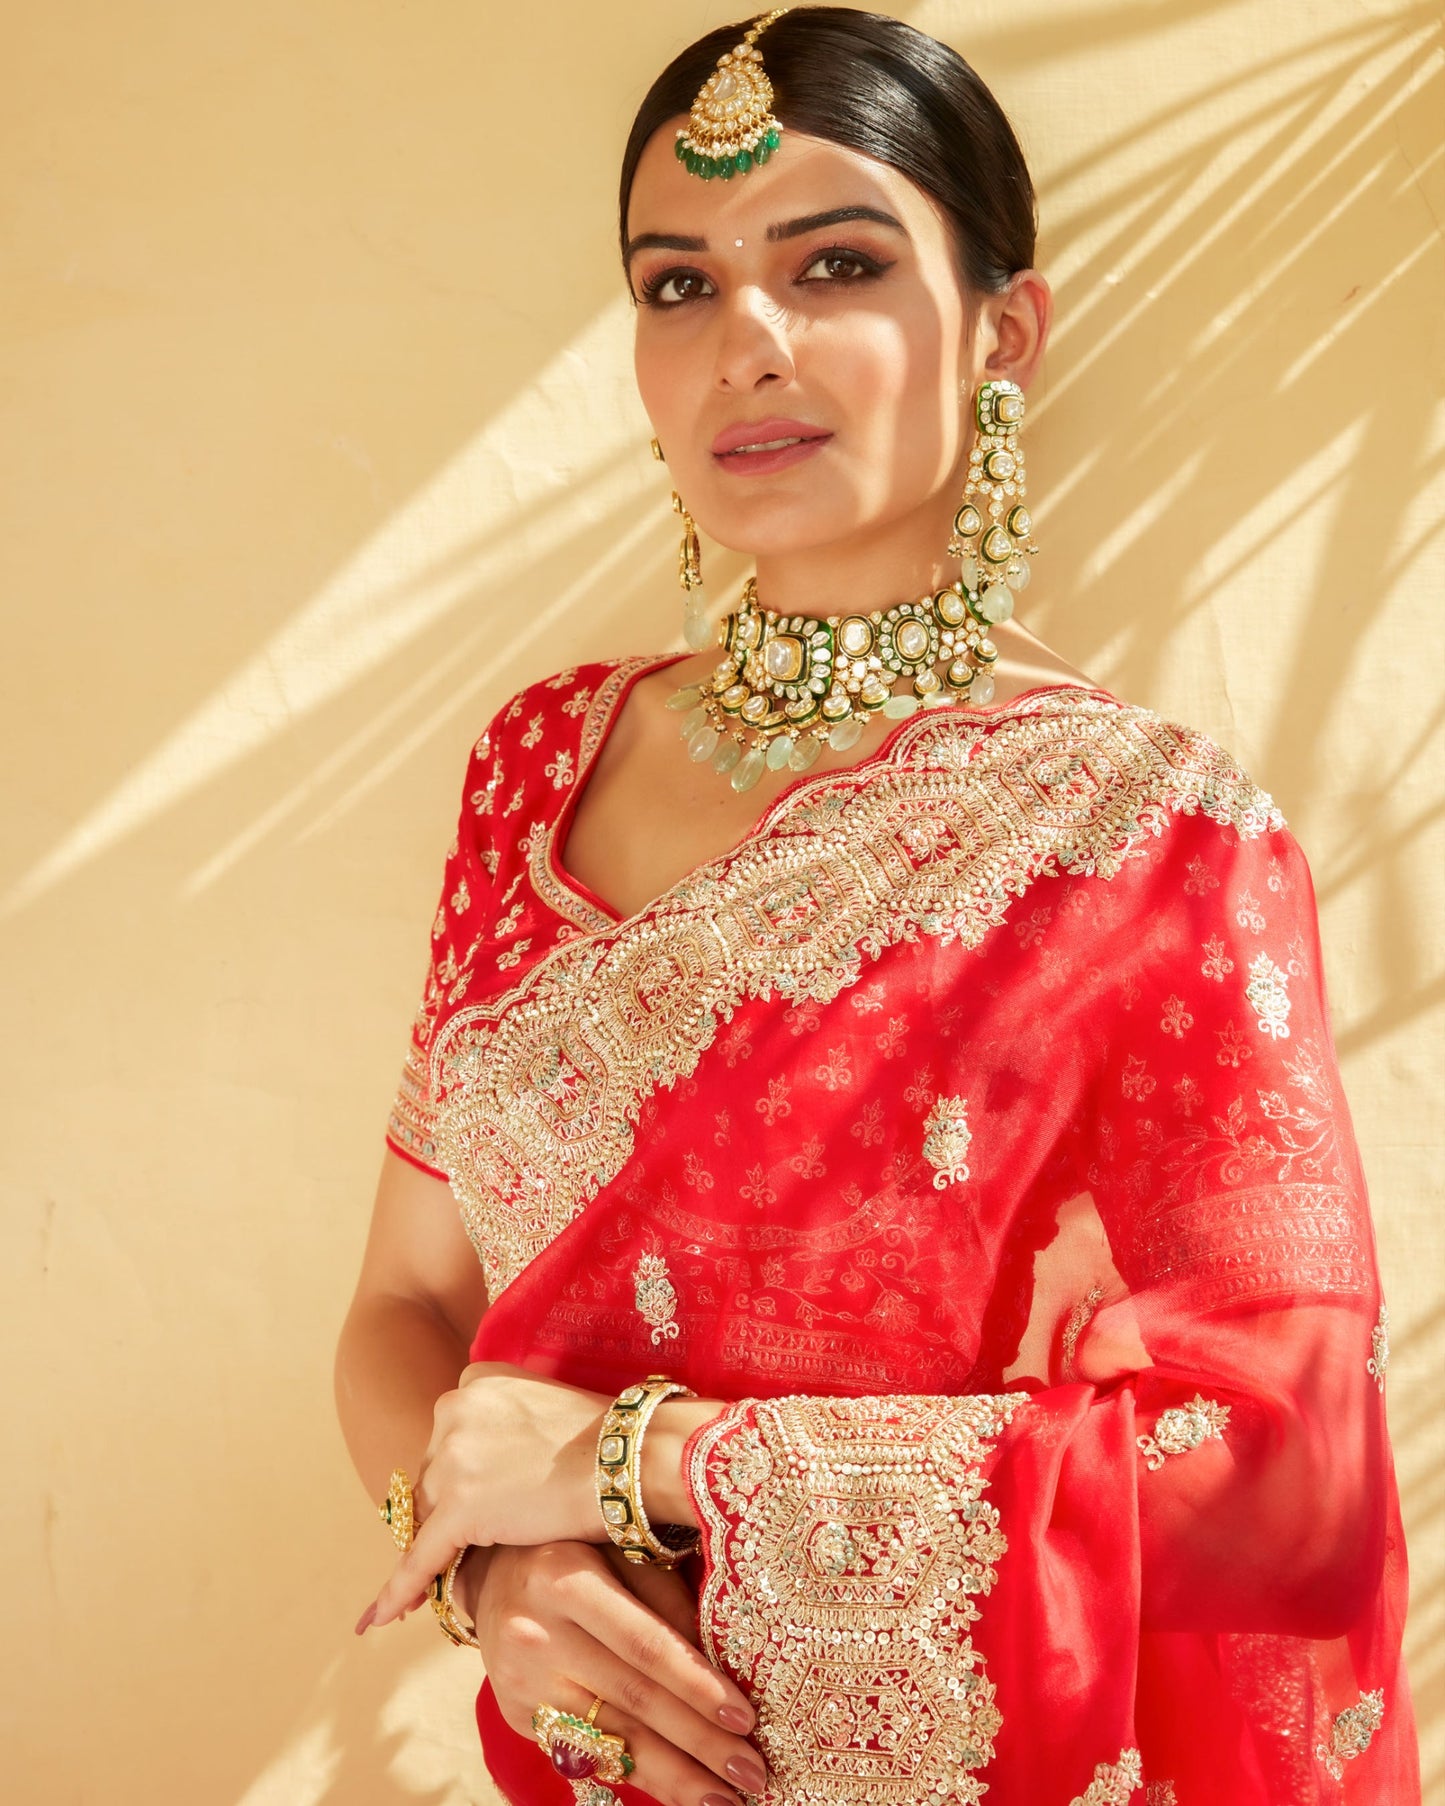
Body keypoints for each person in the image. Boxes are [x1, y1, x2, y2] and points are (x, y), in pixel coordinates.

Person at [334, 10, 1419, 1803]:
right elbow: (405, 1301)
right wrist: (498, 1560)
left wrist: (633, 1466)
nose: (744, 341)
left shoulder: (1149, 834)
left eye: (833, 264)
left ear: (1003, 330)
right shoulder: (535, 764)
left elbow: (1275, 1485)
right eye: (674, 286)